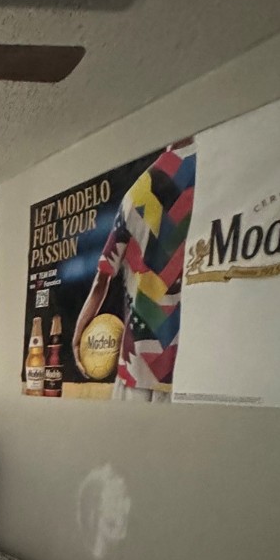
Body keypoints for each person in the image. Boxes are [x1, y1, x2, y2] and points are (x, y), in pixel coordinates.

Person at [72, 141, 196, 401]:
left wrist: (78, 334)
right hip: (187, 366)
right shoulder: (208, 173)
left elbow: (102, 279)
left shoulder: (135, 194)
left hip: (134, 364)